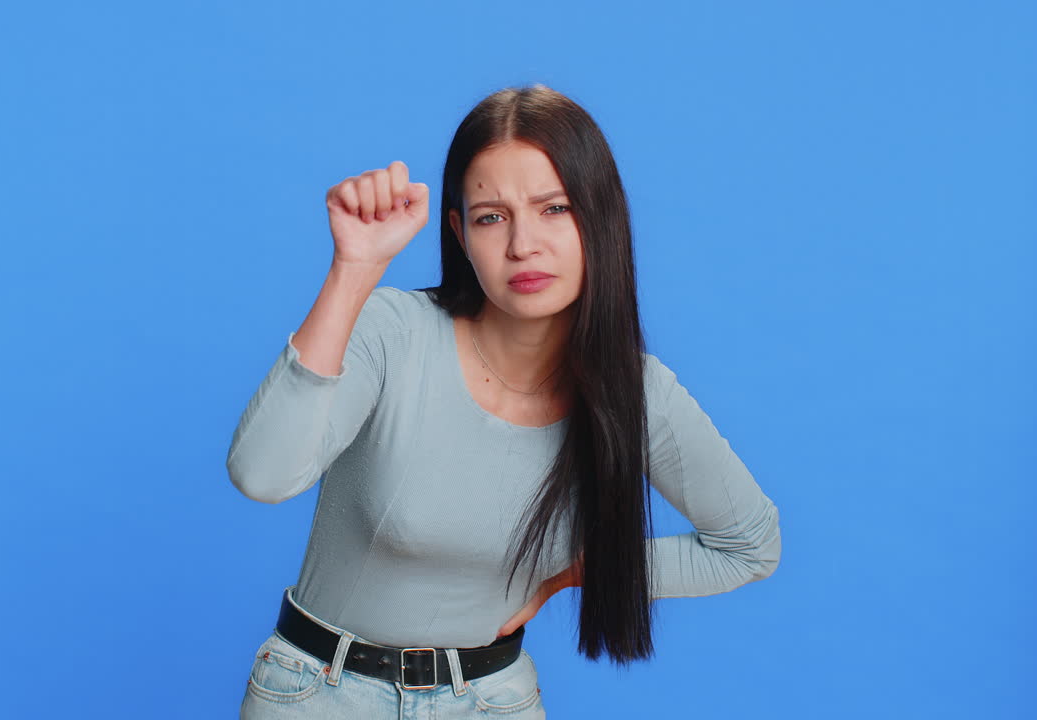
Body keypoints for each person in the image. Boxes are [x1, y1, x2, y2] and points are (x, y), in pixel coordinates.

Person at [226, 83, 782, 719]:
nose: (523, 245)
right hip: (320, 694)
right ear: (461, 235)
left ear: (599, 220)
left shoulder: (636, 391)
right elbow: (262, 476)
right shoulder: (394, 332)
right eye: (492, 217)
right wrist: (352, 270)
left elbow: (751, 545)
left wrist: (577, 571)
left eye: (554, 209)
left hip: (490, 701)